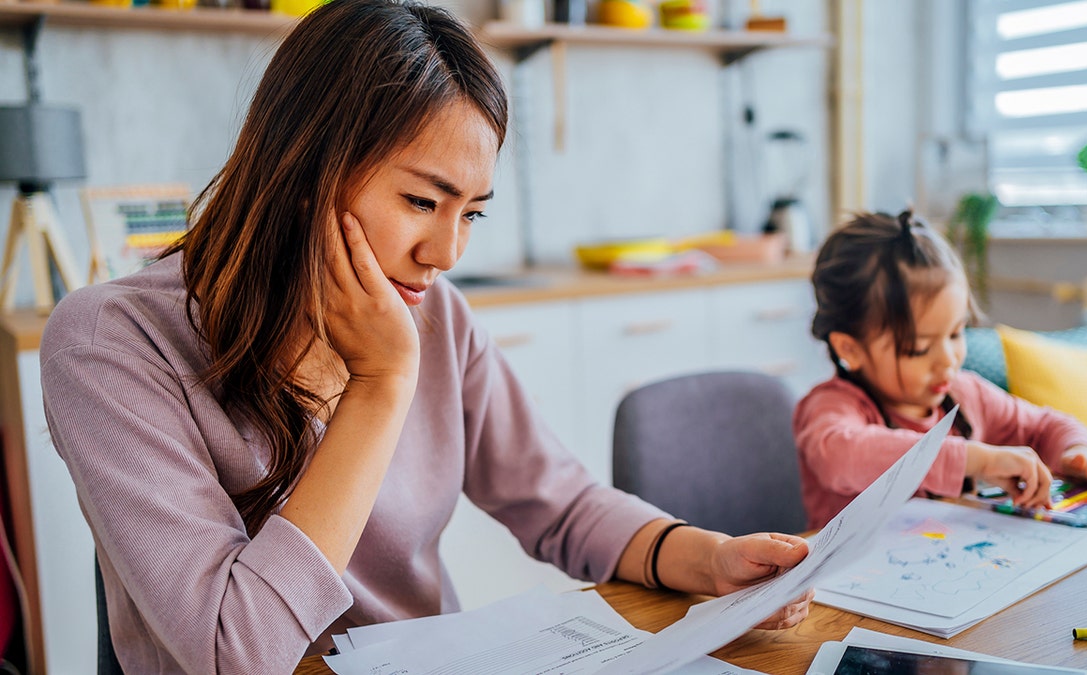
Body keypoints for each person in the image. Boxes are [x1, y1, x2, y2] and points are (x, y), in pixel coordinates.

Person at [40, 1, 816, 672]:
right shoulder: (111, 343)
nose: (446, 254)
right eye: (421, 200)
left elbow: (562, 503)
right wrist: (380, 388)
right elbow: (234, 652)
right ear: (306, 171)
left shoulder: (434, 313)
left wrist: (708, 558)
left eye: (471, 212)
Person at [793, 210, 1087, 529]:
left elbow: (1047, 424)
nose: (948, 360)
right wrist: (979, 458)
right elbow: (842, 455)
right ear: (849, 348)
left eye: (956, 333)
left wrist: (1075, 453)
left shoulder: (965, 393)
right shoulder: (831, 407)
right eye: (918, 348)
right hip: (844, 601)